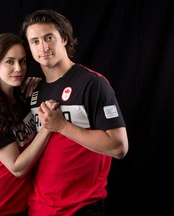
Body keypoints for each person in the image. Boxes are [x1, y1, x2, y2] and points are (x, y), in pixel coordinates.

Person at [18, 9, 129, 215]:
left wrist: (62, 126)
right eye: (35, 41)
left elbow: (119, 147)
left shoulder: (92, 83)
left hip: (80, 208)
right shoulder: (33, 90)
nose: (43, 47)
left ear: (64, 39)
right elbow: (24, 141)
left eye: (48, 37)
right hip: (38, 208)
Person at [0, 32, 57, 216]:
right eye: (10, 61)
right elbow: (17, 168)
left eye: (22, 61)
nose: (18, 68)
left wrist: (41, 86)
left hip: (24, 201)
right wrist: (48, 127)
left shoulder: (21, 98)